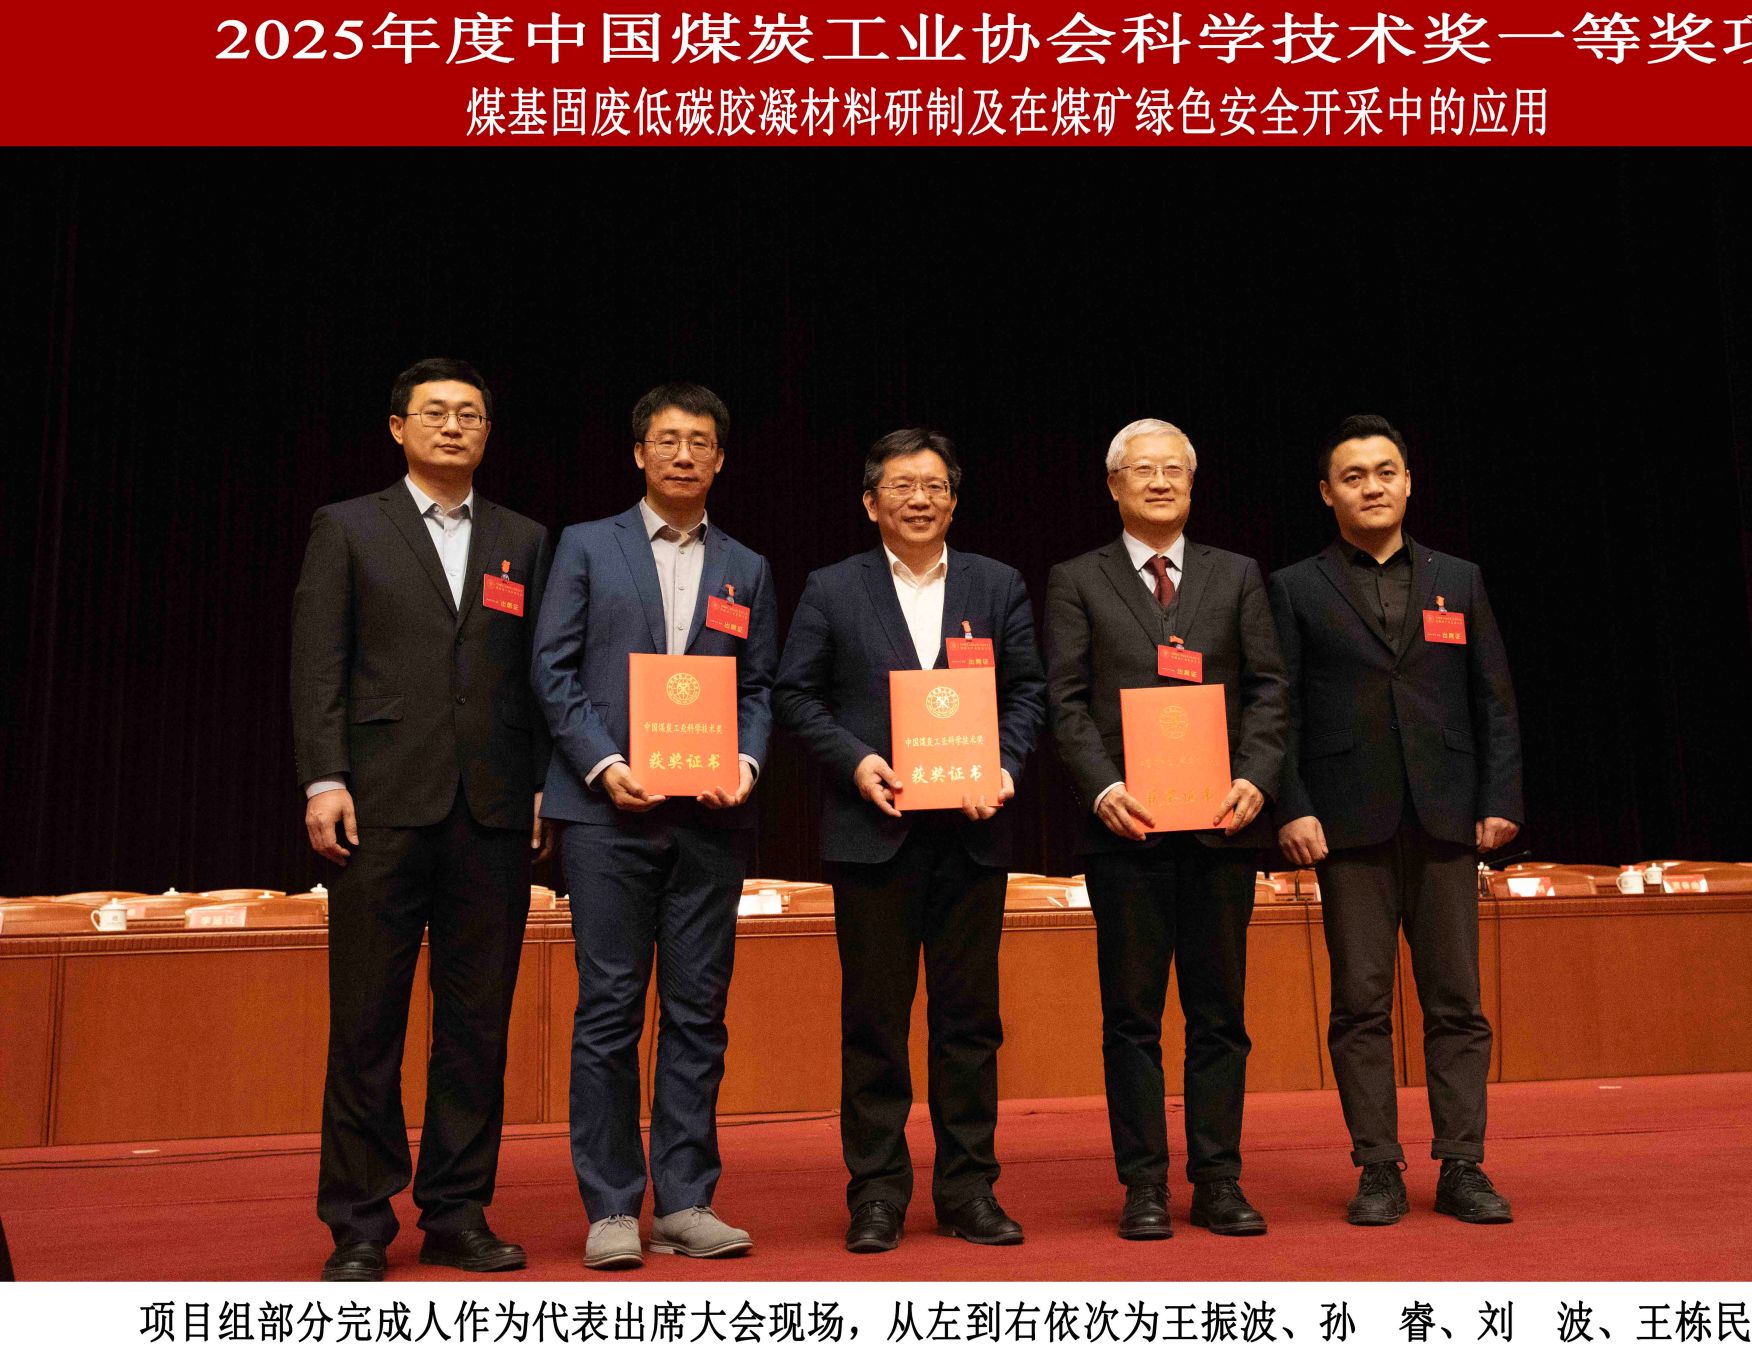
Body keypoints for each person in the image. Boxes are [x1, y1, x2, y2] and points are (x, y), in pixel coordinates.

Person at [292, 357, 552, 1282]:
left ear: (488, 433)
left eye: (470, 414)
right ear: (398, 427)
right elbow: (318, 661)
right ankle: (359, 1221)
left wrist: (542, 782)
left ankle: (457, 1210)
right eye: (436, 412)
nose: (454, 426)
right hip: (379, 805)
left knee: (476, 1023)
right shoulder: (349, 526)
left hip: (493, 806)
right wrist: (324, 777)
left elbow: (540, 672)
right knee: (367, 1020)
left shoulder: (524, 538)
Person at [773, 429, 1047, 1253]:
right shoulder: (832, 587)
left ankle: (969, 1187)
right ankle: (877, 1193)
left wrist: (1005, 766)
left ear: (954, 500)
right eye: (901, 485)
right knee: (874, 1023)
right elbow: (796, 693)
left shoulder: (996, 583)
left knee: (970, 1022)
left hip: (972, 833)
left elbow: (1028, 692)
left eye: (934, 485)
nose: (919, 498)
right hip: (873, 836)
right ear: (871, 502)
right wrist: (856, 762)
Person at [531, 383, 779, 1268]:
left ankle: (684, 1199)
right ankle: (609, 1205)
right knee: (608, 1008)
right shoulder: (585, 545)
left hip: (709, 820)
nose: (683, 454)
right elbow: (552, 669)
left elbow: (758, 685)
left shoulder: (747, 565)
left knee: (698, 1012)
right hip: (607, 813)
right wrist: (604, 763)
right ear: (639, 453)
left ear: (721, 459)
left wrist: (746, 762)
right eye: (667, 439)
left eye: (700, 441)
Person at [1268, 414, 1524, 1227]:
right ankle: (1377, 1165)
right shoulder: (1295, 587)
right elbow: (1279, 710)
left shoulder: (1460, 578)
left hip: (1449, 816)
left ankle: (1463, 1164)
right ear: (1327, 493)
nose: (1372, 487)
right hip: (1346, 823)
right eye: (1353, 476)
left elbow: (1493, 697)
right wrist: (1292, 805)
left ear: (1409, 481)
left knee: (1457, 1001)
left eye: (1385, 472)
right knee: (1360, 1003)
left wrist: (1501, 798)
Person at [1043, 418, 1288, 1240]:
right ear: (1113, 485)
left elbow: (1269, 688)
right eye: (1142, 469)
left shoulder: (1237, 573)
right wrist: (1101, 787)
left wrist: (1256, 776)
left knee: (1220, 1014)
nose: (1158, 481)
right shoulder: (1076, 579)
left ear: (1192, 481)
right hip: (1128, 830)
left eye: (1173, 469)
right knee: (1132, 1017)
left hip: (1223, 826)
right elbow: (1065, 699)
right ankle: (1143, 1182)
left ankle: (1218, 1177)